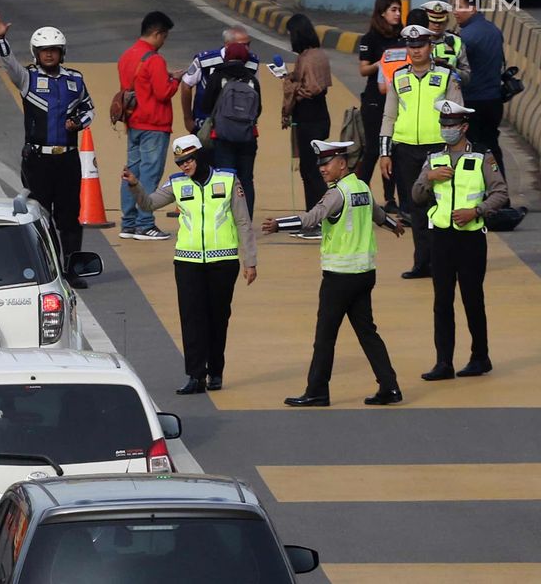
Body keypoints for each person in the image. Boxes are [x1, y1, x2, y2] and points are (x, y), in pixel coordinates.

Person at [263, 140, 405, 407]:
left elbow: (312, 218)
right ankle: (390, 386)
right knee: (367, 332)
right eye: (320, 165)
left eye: (326, 164)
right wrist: (393, 225)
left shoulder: (337, 194)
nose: (322, 169)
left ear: (342, 163)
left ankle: (317, 391)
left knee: (325, 337)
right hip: (364, 272)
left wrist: (278, 224)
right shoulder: (362, 187)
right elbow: (378, 214)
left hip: (340, 276)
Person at [122, 135, 257, 394]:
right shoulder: (177, 184)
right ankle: (195, 375)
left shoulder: (228, 180)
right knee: (191, 319)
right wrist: (135, 185)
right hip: (187, 261)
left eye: (188, 160)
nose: (184, 165)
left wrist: (249, 261)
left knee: (218, 318)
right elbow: (148, 204)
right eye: (180, 162)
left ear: (200, 156)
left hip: (223, 261)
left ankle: (215, 371)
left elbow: (243, 221)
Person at [0, 11, 95, 285]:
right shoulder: (27, 79)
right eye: (44, 51)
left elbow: (89, 109)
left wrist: (77, 123)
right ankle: (47, 271)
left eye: (54, 51)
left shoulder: (75, 80)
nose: (49, 55)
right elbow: (9, 63)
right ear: (36, 53)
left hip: (68, 161)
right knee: (39, 217)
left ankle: (72, 270)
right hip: (37, 161)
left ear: (62, 52)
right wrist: (0, 39)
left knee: (69, 219)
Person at [411, 100, 508, 382]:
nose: (446, 130)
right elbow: (416, 196)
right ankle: (444, 362)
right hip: (441, 238)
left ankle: (480, 357)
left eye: (451, 125)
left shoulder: (481, 156)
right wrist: (429, 178)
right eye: (443, 125)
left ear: (463, 127)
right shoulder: (433, 159)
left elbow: (500, 193)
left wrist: (476, 211)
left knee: (472, 299)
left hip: (471, 239)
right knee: (442, 301)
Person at [378, 24, 463, 280]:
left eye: (421, 46)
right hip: (406, 151)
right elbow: (389, 116)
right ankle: (422, 263)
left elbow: (457, 113)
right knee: (415, 208)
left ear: (430, 47)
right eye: (411, 47)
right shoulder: (399, 77)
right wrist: (385, 152)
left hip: (439, 150)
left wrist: (456, 150)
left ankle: (445, 263)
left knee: (441, 206)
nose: (416, 51)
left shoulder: (447, 76)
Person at [117, 11, 182, 241]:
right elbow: (163, 92)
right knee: (150, 175)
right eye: (164, 37)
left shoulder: (127, 56)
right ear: (157, 33)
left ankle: (129, 223)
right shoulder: (154, 59)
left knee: (131, 173)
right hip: (154, 124)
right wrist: (175, 79)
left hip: (134, 122)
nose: (164, 42)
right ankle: (146, 224)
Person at [281, 14, 332, 240]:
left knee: (310, 171)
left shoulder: (306, 57)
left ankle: (318, 220)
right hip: (321, 117)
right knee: (313, 170)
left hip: (309, 120)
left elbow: (309, 88)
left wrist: (289, 83)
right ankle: (315, 220)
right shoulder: (319, 54)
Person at [201, 41, 261, 217]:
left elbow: (206, 106)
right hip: (248, 138)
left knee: (224, 180)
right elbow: (258, 110)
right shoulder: (251, 79)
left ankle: (225, 219)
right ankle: (246, 220)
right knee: (246, 180)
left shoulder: (217, 76)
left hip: (222, 137)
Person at [452, 0, 507, 184]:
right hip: (494, 101)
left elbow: (457, 69)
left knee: (473, 151)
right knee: (492, 146)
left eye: (460, 6)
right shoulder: (494, 30)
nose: (455, 11)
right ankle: (501, 193)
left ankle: (483, 195)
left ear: (473, 8)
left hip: (472, 102)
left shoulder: (464, 37)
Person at [358, 0, 403, 212]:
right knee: (374, 149)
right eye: (393, 10)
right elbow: (363, 69)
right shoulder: (370, 39)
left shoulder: (403, 38)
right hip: (375, 101)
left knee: (393, 150)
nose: (397, 14)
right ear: (382, 12)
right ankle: (358, 192)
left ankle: (390, 199)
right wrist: (383, 63)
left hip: (398, 99)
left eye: (399, 10)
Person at [179, 24, 259, 137]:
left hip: (238, 128)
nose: (247, 49)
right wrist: (188, 119)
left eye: (248, 44)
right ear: (227, 45)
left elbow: (255, 93)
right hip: (205, 126)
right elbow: (186, 84)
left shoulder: (253, 63)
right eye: (242, 45)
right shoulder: (204, 60)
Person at [420, 0, 471, 85]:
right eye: (433, 21)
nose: (437, 25)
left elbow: (467, 77)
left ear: (447, 21)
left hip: (450, 93)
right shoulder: (417, 41)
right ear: (426, 21)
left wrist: (451, 69)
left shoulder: (457, 41)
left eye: (440, 22)